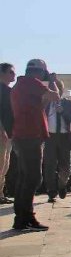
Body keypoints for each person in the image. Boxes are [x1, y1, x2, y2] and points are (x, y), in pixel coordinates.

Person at [10, 59, 59, 230]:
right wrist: (52, 81)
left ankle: (20, 218)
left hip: (22, 135)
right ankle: (26, 217)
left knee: (25, 177)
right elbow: (55, 96)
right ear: (41, 73)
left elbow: (41, 105)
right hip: (30, 136)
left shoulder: (21, 85)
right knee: (33, 178)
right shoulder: (32, 83)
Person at [43, 77, 71, 202]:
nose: (55, 91)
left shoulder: (68, 103)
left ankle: (62, 184)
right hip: (50, 137)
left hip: (64, 137)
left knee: (66, 166)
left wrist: (63, 112)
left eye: (57, 88)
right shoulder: (46, 104)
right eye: (52, 88)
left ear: (61, 90)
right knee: (49, 166)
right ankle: (51, 191)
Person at [0, 62, 15, 204]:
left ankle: (1, 193)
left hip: (8, 132)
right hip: (2, 132)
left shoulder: (9, 90)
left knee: (5, 164)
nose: (13, 75)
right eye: (10, 72)